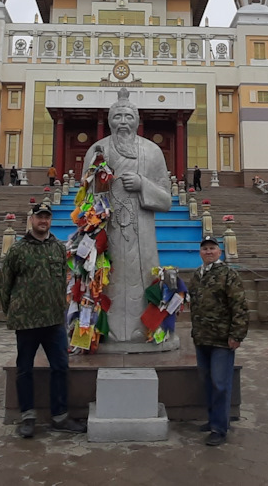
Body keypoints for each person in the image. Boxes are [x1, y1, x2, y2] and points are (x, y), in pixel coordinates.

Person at [82, 87, 172, 344]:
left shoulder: (152, 151)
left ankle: (147, 329)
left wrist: (143, 184)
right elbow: (84, 195)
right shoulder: (97, 150)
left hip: (141, 230)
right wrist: (101, 187)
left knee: (144, 277)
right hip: (107, 229)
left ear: (137, 120)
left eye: (128, 117)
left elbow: (166, 199)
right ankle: (101, 330)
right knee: (106, 277)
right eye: (118, 117)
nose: (123, 122)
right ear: (110, 120)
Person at [0, 201, 87, 438]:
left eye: (47, 217)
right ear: (32, 220)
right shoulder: (18, 250)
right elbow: (4, 285)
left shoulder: (58, 248)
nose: (43, 221)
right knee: (24, 369)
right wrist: (13, 312)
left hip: (53, 321)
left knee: (60, 367)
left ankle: (60, 416)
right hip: (26, 321)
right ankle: (27, 417)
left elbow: (63, 279)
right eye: (40, 217)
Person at [189, 235, 248, 447]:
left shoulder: (228, 274)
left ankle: (219, 429)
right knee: (207, 381)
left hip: (222, 340)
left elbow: (239, 306)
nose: (208, 252)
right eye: (205, 249)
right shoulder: (198, 275)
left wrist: (237, 335)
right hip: (202, 337)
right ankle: (214, 419)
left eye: (212, 248)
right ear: (200, 252)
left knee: (220, 383)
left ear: (219, 252)